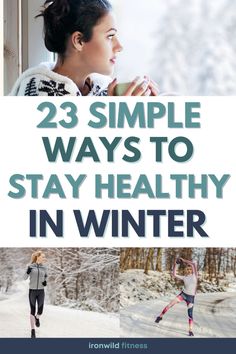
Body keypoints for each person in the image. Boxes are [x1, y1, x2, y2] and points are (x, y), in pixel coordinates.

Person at [9, 0, 159, 97]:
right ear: (79, 41)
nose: (119, 47)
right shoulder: (39, 93)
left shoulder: (103, 89)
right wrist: (117, 116)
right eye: (110, 36)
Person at [155, 257, 198, 337]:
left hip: (191, 298)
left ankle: (190, 330)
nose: (189, 271)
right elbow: (174, 274)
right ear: (185, 270)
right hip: (183, 294)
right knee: (170, 304)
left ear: (192, 270)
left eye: (190, 269)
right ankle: (160, 316)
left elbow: (193, 264)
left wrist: (184, 260)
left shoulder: (195, 275)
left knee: (190, 314)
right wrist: (176, 264)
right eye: (187, 269)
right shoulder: (184, 277)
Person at [24, 251, 47, 338]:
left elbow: (45, 277)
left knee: (40, 311)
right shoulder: (30, 267)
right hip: (32, 291)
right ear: (38, 257)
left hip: (41, 291)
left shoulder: (44, 268)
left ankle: (37, 318)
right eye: (43, 256)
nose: (44, 258)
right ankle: (33, 330)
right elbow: (24, 278)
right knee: (32, 311)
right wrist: (27, 272)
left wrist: (45, 282)